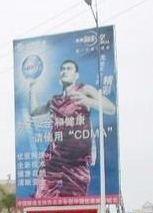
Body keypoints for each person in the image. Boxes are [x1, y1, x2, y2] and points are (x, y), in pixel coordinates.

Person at [29, 59, 116, 198]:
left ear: (76, 75)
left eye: (69, 68)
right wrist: (32, 87)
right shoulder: (54, 100)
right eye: (63, 69)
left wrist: (89, 101)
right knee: (42, 198)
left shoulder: (84, 90)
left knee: (76, 200)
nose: (65, 71)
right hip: (54, 158)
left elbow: (111, 108)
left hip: (77, 159)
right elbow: (34, 111)